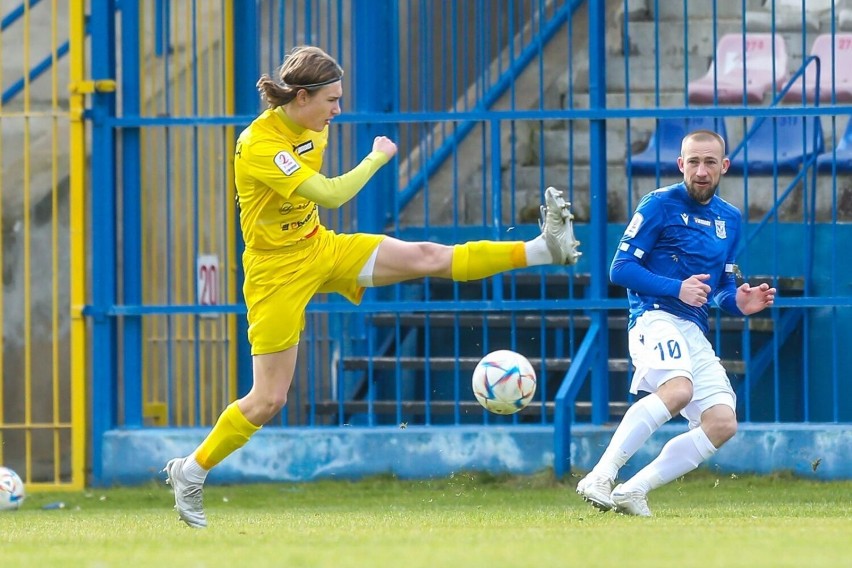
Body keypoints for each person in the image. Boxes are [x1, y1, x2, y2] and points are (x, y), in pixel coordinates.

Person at [164, 45, 581, 528]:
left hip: (320, 246)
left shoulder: (310, 126)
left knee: (425, 256)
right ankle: (190, 472)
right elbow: (332, 194)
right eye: (331, 100)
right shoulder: (260, 145)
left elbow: (319, 206)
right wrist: (376, 158)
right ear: (300, 97)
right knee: (268, 399)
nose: (338, 110)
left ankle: (541, 249)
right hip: (274, 272)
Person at [576, 129, 776, 517]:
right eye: (694, 162)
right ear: (681, 164)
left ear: (724, 167)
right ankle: (600, 475)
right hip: (653, 317)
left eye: (710, 163)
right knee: (678, 389)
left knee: (722, 423)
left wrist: (738, 302)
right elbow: (620, 269)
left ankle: (633, 490)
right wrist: (676, 288)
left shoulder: (730, 219)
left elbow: (719, 287)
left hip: (692, 328)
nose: (701, 171)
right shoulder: (658, 205)